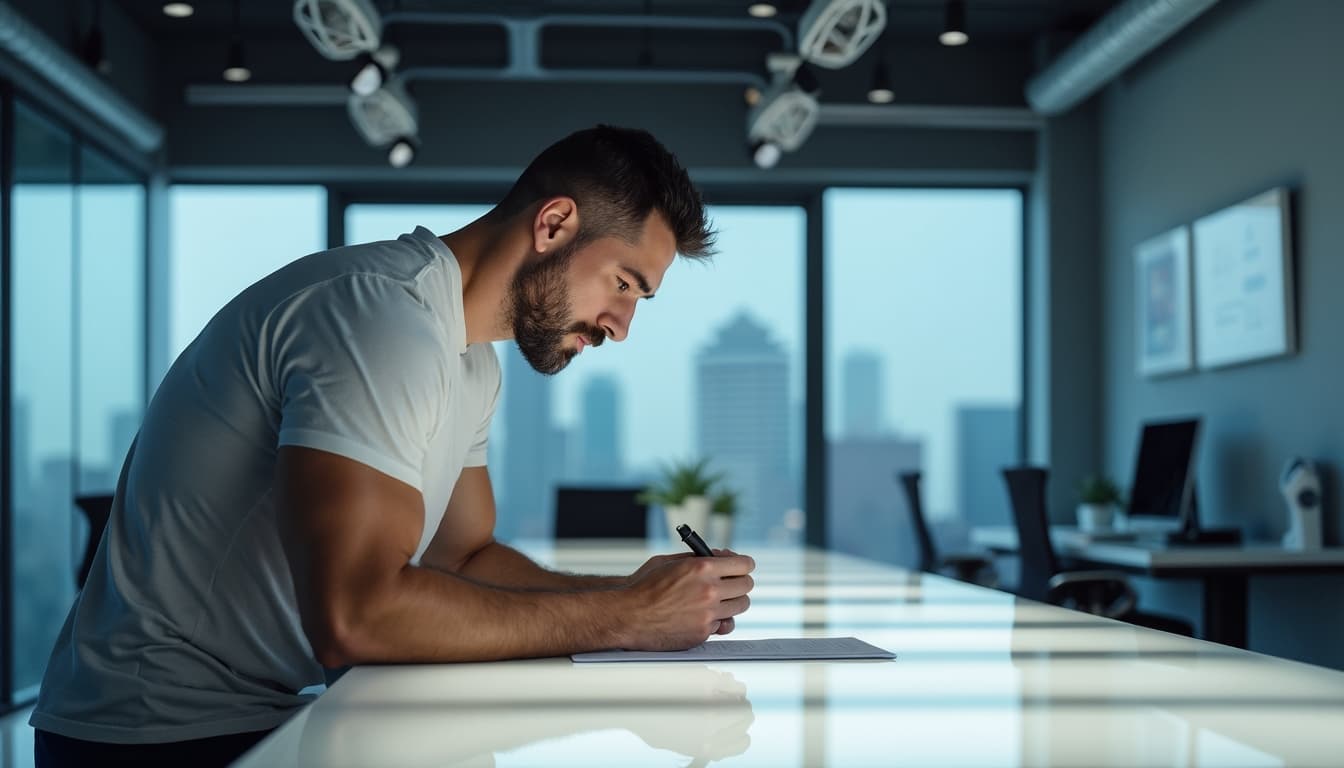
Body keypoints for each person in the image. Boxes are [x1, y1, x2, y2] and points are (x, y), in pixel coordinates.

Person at [30, 125, 756, 767]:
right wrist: (627, 620)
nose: (622, 326)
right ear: (555, 224)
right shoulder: (379, 320)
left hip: (261, 714)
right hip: (155, 738)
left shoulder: (470, 359)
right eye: (624, 284)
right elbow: (358, 615)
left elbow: (461, 558)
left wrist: (636, 595)